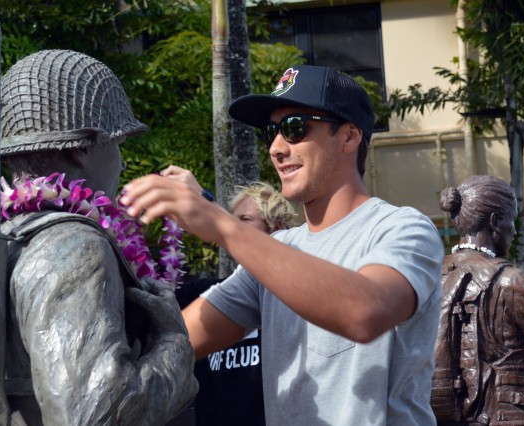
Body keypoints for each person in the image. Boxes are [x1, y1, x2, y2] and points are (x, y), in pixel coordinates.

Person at [119, 64, 444, 424]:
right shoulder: (278, 253)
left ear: (349, 136)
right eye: (271, 132)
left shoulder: (402, 228)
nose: (275, 148)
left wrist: (222, 224)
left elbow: (366, 312)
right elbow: (177, 339)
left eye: (294, 128)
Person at [0, 50, 197, 425]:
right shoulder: (74, 246)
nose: (122, 162)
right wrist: (173, 344)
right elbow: (97, 413)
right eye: (116, 144)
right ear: (81, 151)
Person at [165, 166, 299, 426]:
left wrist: (205, 202)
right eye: (232, 220)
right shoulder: (208, 293)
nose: (232, 229)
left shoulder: (293, 295)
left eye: (244, 221)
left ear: (277, 227)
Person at [433, 175, 524, 425]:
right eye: (511, 220)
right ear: (494, 222)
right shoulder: (512, 282)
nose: (514, 230)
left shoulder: (428, 277)